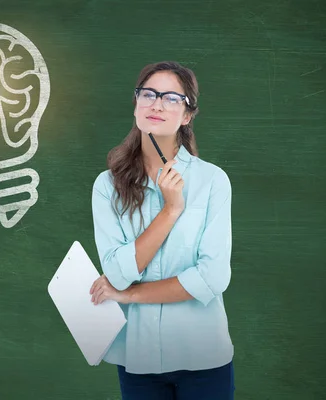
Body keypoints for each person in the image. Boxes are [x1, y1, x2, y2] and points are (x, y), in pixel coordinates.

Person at [89, 61, 235, 399]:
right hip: (137, 360)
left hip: (204, 357)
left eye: (171, 98)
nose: (157, 104)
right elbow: (117, 272)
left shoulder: (213, 181)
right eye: (149, 94)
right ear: (136, 103)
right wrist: (171, 210)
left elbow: (213, 278)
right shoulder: (107, 185)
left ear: (187, 115)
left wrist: (129, 296)